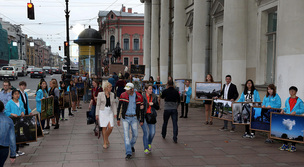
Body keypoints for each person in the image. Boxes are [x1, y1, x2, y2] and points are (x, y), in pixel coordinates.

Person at [117, 83, 144, 160]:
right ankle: (128, 152)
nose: (126, 90)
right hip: (125, 118)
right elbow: (120, 107)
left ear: (132, 89)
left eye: (127, 89)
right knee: (126, 136)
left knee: (135, 135)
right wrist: (118, 119)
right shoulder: (123, 95)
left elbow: (142, 109)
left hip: (134, 118)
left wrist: (141, 119)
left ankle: (131, 145)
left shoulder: (139, 96)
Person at [279, 86, 304, 152]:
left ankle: (293, 145)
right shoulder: (287, 99)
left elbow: (302, 109)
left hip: (295, 118)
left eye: (293, 91)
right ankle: (285, 144)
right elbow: (286, 107)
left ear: (296, 92)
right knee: (285, 131)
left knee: (294, 132)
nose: (291, 92)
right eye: (290, 91)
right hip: (288, 117)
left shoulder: (299, 101)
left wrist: (296, 112)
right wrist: (283, 110)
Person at [96, 82, 117, 149]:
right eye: (110, 87)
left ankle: (106, 137)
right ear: (106, 88)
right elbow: (98, 105)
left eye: (111, 87)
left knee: (111, 127)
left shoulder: (112, 94)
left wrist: (115, 113)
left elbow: (113, 104)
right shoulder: (100, 94)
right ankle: (105, 142)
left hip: (109, 111)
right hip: (102, 111)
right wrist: (97, 114)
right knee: (104, 127)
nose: (111, 88)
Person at [4, 89, 26, 157]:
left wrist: (23, 112)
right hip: (13, 122)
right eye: (15, 94)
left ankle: (17, 150)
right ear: (12, 95)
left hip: (20, 121)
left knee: (20, 135)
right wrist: (12, 114)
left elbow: (23, 109)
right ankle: (13, 151)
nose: (17, 95)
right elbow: (6, 112)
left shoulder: (20, 102)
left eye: (18, 94)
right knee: (13, 137)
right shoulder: (9, 103)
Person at [141, 84, 159, 154]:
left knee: (152, 133)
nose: (151, 90)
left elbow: (158, 107)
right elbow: (140, 106)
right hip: (144, 116)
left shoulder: (154, 96)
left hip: (152, 116)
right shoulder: (142, 97)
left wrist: (153, 104)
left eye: (152, 89)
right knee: (146, 132)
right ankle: (145, 148)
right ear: (146, 90)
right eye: (150, 89)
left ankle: (149, 143)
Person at [0, 101, 16, 166]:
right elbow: (12, 138)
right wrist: (13, 154)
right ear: (3, 109)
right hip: (4, 148)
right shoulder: (9, 120)